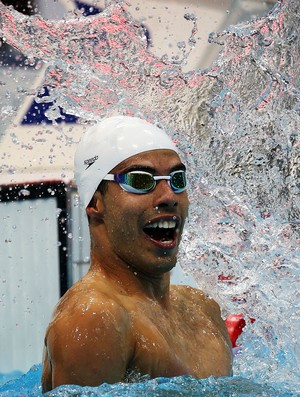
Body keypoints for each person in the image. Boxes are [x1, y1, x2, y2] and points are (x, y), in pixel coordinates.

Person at [41, 116, 232, 392]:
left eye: (177, 179)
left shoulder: (202, 310)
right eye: (141, 180)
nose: (169, 195)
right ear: (96, 202)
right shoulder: (93, 317)